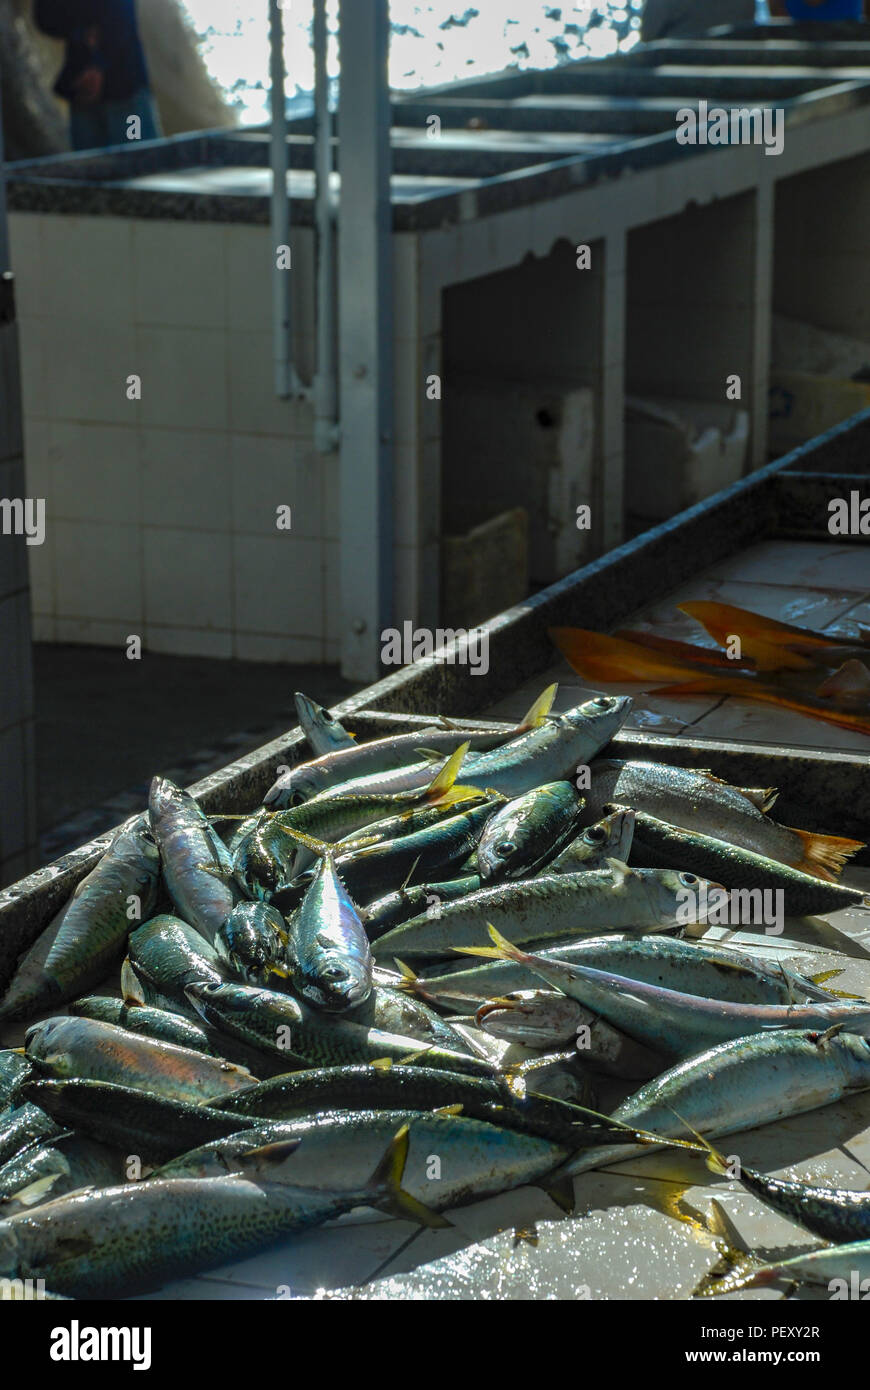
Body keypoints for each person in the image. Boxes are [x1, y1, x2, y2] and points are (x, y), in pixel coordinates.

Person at [34, 1, 161, 150]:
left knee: (136, 162)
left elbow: (45, 19)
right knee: (139, 164)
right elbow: (44, 19)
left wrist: (97, 61)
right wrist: (82, 32)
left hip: (117, 89)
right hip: (98, 88)